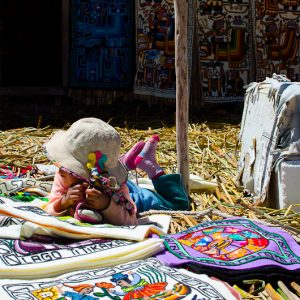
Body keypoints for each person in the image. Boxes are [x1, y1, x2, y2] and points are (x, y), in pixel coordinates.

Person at [43, 117, 189, 226]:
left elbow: (130, 220)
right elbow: (49, 208)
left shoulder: (117, 185)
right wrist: (62, 202)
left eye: (67, 167)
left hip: (126, 194)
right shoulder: (63, 174)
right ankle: (123, 163)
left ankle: (152, 167)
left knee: (179, 204)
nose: (59, 167)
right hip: (117, 180)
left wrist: (106, 205)